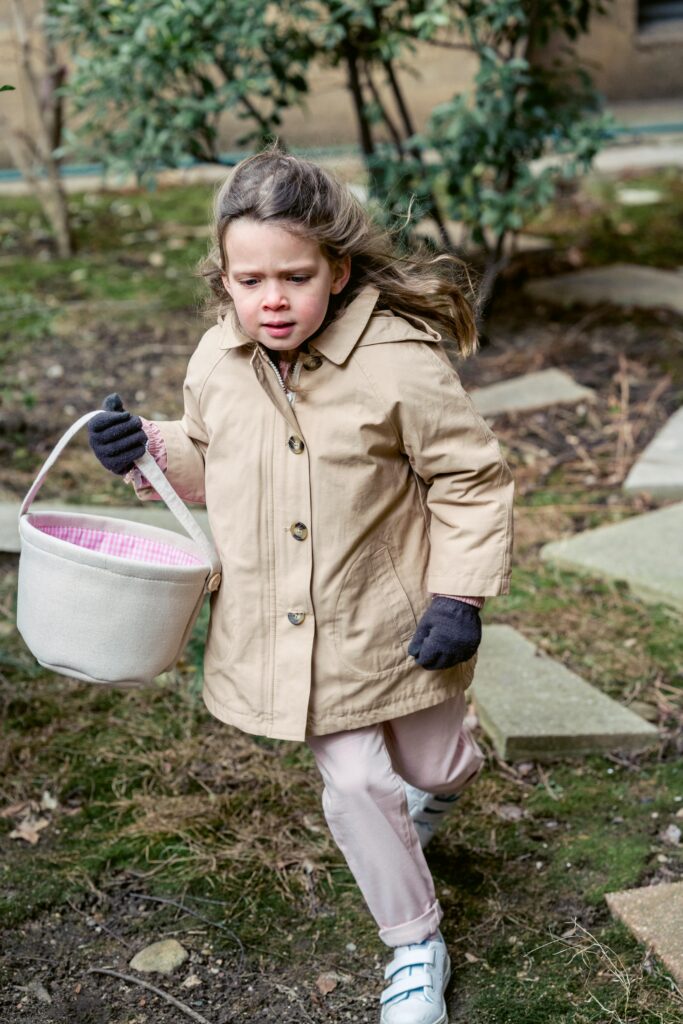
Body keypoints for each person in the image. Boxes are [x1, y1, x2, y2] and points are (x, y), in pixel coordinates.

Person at [88, 149, 513, 1024]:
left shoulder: (398, 362)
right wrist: (149, 451)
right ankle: (413, 945)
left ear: (339, 269)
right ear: (225, 279)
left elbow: (468, 478)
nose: (272, 299)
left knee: (433, 764)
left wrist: (458, 595)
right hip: (291, 624)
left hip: (393, 614)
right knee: (356, 782)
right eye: (250, 279)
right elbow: (211, 457)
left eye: (295, 276)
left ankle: (436, 775)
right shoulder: (218, 358)